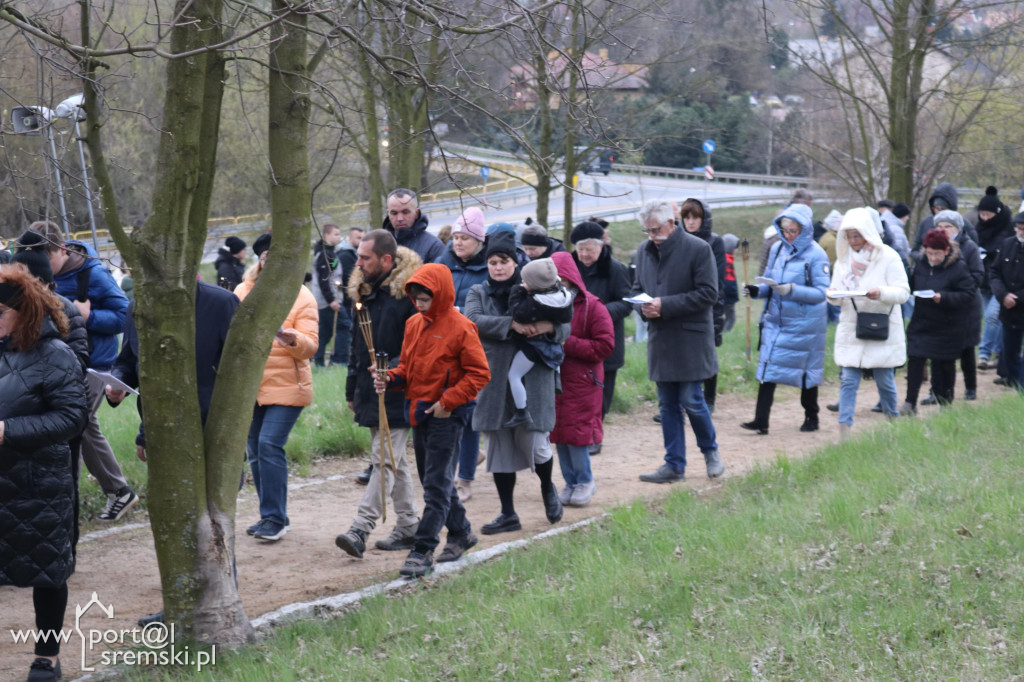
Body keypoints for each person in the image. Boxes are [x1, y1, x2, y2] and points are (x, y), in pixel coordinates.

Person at [105, 280, 238, 626]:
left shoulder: (222, 303)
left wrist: (231, 438)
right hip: (161, 431)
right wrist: (116, 385)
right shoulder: (138, 306)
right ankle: (180, 605)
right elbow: (129, 361)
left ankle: (222, 603)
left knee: (212, 523)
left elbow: (240, 375)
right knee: (177, 521)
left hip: (213, 434)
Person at [0, 263, 89, 682]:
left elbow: (72, 418)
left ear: (24, 312)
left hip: (38, 484)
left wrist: (7, 431)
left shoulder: (56, 355)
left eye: (0, 313)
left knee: (47, 571)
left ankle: (47, 656)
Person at [375, 263, 491, 578]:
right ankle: (461, 532)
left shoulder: (462, 326)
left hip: (448, 414)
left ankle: (422, 550)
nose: (420, 304)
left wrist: (448, 402)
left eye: (426, 299)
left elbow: (480, 373)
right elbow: (408, 367)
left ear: (441, 295)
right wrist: (390, 377)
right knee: (434, 480)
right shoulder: (413, 323)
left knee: (435, 486)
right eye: (416, 299)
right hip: (418, 410)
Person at [465, 231, 568, 535]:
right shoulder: (478, 292)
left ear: (515, 262)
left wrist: (547, 327)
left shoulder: (535, 287)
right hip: (494, 377)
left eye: (504, 261)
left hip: (533, 376)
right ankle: (508, 513)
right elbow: (472, 320)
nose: (498, 267)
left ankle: (548, 487)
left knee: (536, 443)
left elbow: (565, 326)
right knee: (498, 448)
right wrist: (511, 324)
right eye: (493, 262)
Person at [36, 220, 136, 522]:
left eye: (47, 259)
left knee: (75, 425)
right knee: (81, 425)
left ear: (62, 250)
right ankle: (118, 491)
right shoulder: (38, 272)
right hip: (59, 363)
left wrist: (87, 317)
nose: (44, 267)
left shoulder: (92, 273)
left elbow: (124, 315)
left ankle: (72, 503)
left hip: (94, 363)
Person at [334, 230, 423, 558]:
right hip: (370, 389)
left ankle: (361, 528)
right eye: (358, 256)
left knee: (383, 459)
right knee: (394, 461)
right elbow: (357, 346)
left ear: (386, 259)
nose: (357, 263)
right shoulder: (364, 293)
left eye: (364, 258)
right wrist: (352, 388)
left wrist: (392, 370)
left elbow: (419, 347)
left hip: (400, 388)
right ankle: (409, 525)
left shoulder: (410, 295)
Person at [632, 200, 724, 483]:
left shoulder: (698, 249)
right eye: (647, 230)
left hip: (690, 340)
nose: (651, 235)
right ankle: (674, 465)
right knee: (666, 404)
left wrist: (665, 305)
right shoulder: (643, 251)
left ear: (671, 224)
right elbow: (636, 289)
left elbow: (709, 293)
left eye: (655, 229)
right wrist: (642, 308)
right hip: (660, 339)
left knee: (692, 400)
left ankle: (710, 451)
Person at [234, 234, 319, 541]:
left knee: (269, 444)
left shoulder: (302, 296)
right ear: (260, 260)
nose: (270, 264)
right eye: (265, 258)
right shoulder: (242, 290)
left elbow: (311, 347)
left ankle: (275, 518)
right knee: (255, 450)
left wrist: (290, 337)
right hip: (252, 386)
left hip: (288, 386)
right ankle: (270, 515)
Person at [741, 203, 829, 435]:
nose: (788, 235)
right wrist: (757, 290)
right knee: (767, 366)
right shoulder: (777, 249)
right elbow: (770, 283)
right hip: (777, 320)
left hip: (805, 324)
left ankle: (812, 416)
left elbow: (822, 293)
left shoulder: (817, 255)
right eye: (785, 230)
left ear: (804, 230)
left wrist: (792, 290)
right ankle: (761, 420)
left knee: (805, 371)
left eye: (793, 231)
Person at [827, 208, 910, 440]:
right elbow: (837, 293)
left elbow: (903, 292)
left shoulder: (888, 256)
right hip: (852, 327)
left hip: (881, 326)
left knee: (885, 381)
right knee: (848, 381)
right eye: (849, 236)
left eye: (857, 235)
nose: (853, 241)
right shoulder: (842, 261)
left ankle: (893, 425)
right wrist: (832, 295)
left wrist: (881, 293)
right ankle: (844, 433)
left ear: (867, 233)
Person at [548, 252, 614, 506]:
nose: (556, 285)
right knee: (559, 435)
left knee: (577, 434)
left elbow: (604, 345)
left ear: (570, 278)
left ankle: (585, 481)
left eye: (560, 279)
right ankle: (570, 482)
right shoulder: (547, 304)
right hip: (555, 379)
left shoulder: (592, 306)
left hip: (583, 381)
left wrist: (567, 343)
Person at [437, 206, 490, 500]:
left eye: (465, 238)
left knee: (469, 416)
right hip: (444, 350)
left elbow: (487, 309)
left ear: (479, 241)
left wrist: (460, 314)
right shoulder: (441, 263)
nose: (458, 242)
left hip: (476, 350)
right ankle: (450, 471)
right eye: (456, 237)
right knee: (447, 413)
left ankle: (465, 479)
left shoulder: (490, 268)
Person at [570, 220, 631, 451]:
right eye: (580, 249)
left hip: (605, 340)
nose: (584, 255)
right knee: (578, 390)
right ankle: (578, 432)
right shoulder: (570, 268)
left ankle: (595, 435)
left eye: (589, 250)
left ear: (601, 247)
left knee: (601, 391)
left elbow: (626, 303)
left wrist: (598, 313)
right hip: (576, 340)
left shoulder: (615, 269)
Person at [901, 229, 977, 412]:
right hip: (922, 321)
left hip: (948, 324)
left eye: (937, 254)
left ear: (946, 251)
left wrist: (944, 297)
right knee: (915, 359)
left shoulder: (958, 267)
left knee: (945, 364)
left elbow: (968, 294)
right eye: (929, 253)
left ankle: (945, 403)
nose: (933, 258)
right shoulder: (920, 264)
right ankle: (910, 402)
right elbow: (911, 284)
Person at [503, 258, 575, 429]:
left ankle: (521, 410)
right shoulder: (561, 297)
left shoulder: (535, 303)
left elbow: (518, 313)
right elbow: (566, 319)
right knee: (555, 357)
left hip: (535, 346)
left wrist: (517, 291)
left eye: (525, 281)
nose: (522, 283)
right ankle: (556, 377)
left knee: (514, 375)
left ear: (535, 286)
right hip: (552, 346)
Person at [922, 210, 984, 403]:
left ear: (958, 228)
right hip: (939, 305)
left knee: (966, 349)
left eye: (948, 226)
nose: (943, 230)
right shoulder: (933, 247)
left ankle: (970, 387)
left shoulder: (969, 247)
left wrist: (957, 287)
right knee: (937, 351)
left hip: (965, 306)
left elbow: (978, 276)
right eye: (939, 226)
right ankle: (936, 391)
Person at [679, 198, 727, 412]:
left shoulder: (714, 242)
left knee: (707, 354)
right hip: (682, 303)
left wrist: (716, 310)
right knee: (681, 354)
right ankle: (680, 402)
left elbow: (718, 280)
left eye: (695, 217)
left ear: (704, 219)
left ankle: (709, 399)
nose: (690, 222)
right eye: (687, 217)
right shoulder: (677, 241)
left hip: (709, 303)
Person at [974, 187, 1014, 372]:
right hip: (984, 280)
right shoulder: (979, 228)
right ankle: (999, 353)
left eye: (988, 214)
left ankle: (984, 353)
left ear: (996, 213)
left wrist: (991, 254)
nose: (984, 218)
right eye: (982, 214)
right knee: (993, 319)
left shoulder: (1009, 229)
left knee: (992, 316)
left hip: (1002, 282)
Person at [988, 213, 1024, 389]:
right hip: (1008, 307)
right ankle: (1012, 377)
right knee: (1009, 347)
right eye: (1019, 228)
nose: (1021, 232)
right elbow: (994, 272)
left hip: (1020, 302)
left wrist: (1018, 298)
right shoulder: (1007, 244)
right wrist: (1003, 295)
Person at [312, 224, 352, 368]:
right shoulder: (325, 255)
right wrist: (331, 300)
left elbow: (333, 273)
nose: (338, 237)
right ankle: (339, 360)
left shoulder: (330, 253)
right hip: (328, 301)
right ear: (326, 235)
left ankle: (319, 360)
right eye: (335, 234)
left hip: (329, 300)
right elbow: (324, 280)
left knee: (325, 332)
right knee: (345, 326)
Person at [382, 188, 445, 264]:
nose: (400, 218)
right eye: (394, 213)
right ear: (388, 214)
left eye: (405, 212)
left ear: (416, 213)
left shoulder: (434, 247)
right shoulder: (379, 245)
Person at [720, 234, 741, 333]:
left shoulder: (722, 259)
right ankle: (725, 334)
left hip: (723, 294)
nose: (737, 250)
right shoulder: (727, 261)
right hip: (727, 294)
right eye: (736, 247)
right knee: (731, 318)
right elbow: (729, 282)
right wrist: (733, 295)